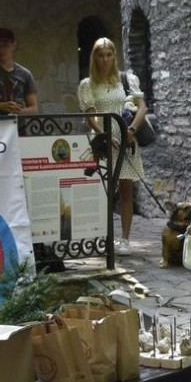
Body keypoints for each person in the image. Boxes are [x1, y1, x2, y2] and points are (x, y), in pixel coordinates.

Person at [77, 37, 148, 255]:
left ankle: (124, 239)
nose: (105, 59)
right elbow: (90, 115)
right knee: (100, 191)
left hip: (126, 140)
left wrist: (132, 130)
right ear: (94, 58)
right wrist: (104, 135)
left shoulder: (126, 80)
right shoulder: (88, 84)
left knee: (126, 191)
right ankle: (101, 237)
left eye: (109, 55)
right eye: (100, 55)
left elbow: (142, 107)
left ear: (114, 56)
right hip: (103, 141)